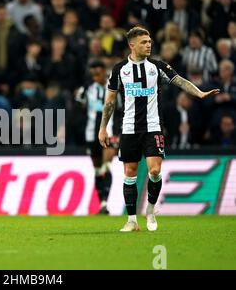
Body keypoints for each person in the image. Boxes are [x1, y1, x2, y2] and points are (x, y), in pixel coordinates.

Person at [98, 27, 220, 232]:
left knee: (154, 170)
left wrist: (198, 93)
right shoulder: (119, 70)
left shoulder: (157, 66)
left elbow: (179, 80)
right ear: (132, 45)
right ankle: (132, 220)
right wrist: (103, 128)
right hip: (129, 128)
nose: (148, 44)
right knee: (130, 172)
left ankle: (151, 210)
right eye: (144, 42)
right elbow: (109, 102)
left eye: (149, 41)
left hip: (153, 127)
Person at [75, 60, 120, 214]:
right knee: (97, 169)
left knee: (106, 166)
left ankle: (105, 202)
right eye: (93, 73)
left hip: (110, 132)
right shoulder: (86, 89)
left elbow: (121, 110)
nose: (95, 76)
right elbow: (79, 110)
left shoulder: (115, 87)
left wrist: (119, 133)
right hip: (91, 134)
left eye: (98, 72)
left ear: (103, 72)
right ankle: (101, 202)